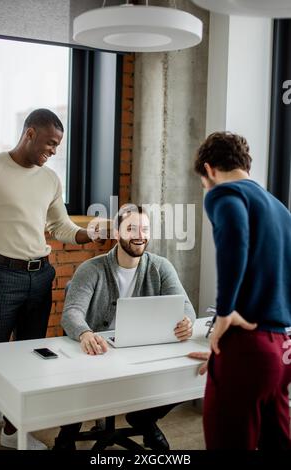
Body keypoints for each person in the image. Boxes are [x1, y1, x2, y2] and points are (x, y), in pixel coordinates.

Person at [0, 108, 107, 450]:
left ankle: (13, 432)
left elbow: (61, 227)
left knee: (30, 357)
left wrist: (91, 233)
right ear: (29, 133)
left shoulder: (50, 179)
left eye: (58, 145)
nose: (54, 151)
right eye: (50, 143)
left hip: (40, 276)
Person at [54, 204, 196, 451]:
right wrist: (85, 333)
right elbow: (71, 313)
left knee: (184, 374)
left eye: (144, 229)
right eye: (131, 229)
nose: (139, 235)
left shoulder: (161, 267)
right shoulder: (92, 269)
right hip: (97, 353)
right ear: (117, 234)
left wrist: (186, 322)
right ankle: (67, 433)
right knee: (75, 381)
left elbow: (187, 308)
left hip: (140, 350)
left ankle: (144, 420)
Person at [191, 131, 291, 450]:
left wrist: (224, 312)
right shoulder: (280, 210)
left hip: (248, 346)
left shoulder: (224, 194)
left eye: (204, 182)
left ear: (209, 170)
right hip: (281, 349)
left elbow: (235, 238)